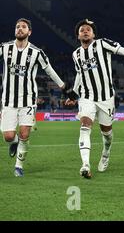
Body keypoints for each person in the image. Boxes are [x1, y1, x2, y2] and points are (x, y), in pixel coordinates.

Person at [67, 19, 124, 179]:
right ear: (78, 35)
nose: (85, 31)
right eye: (82, 30)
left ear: (93, 34)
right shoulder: (76, 54)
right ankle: (85, 164)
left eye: (88, 29)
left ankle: (106, 154)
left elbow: (123, 51)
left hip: (106, 98)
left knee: (107, 133)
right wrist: (73, 94)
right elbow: (79, 75)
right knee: (85, 125)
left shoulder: (102, 44)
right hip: (87, 97)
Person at [0, 18, 76, 177]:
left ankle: (19, 166)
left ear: (30, 32)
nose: (20, 29)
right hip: (8, 101)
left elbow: (50, 71)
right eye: (17, 26)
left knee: (25, 134)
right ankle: (13, 143)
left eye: (23, 27)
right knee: (8, 136)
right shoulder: (5, 47)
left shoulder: (36, 52)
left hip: (28, 100)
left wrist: (65, 89)